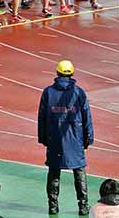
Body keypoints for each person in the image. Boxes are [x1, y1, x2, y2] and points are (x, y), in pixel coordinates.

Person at [38, 60, 94, 216]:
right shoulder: (79, 93)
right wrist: (88, 138)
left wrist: (43, 138)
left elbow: (42, 117)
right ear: (72, 74)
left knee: (54, 172)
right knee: (79, 171)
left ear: (57, 73)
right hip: (75, 139)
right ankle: (83, 206)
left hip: (54, 138)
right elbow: (86, 117)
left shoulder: (48, 92)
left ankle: (53, 206)